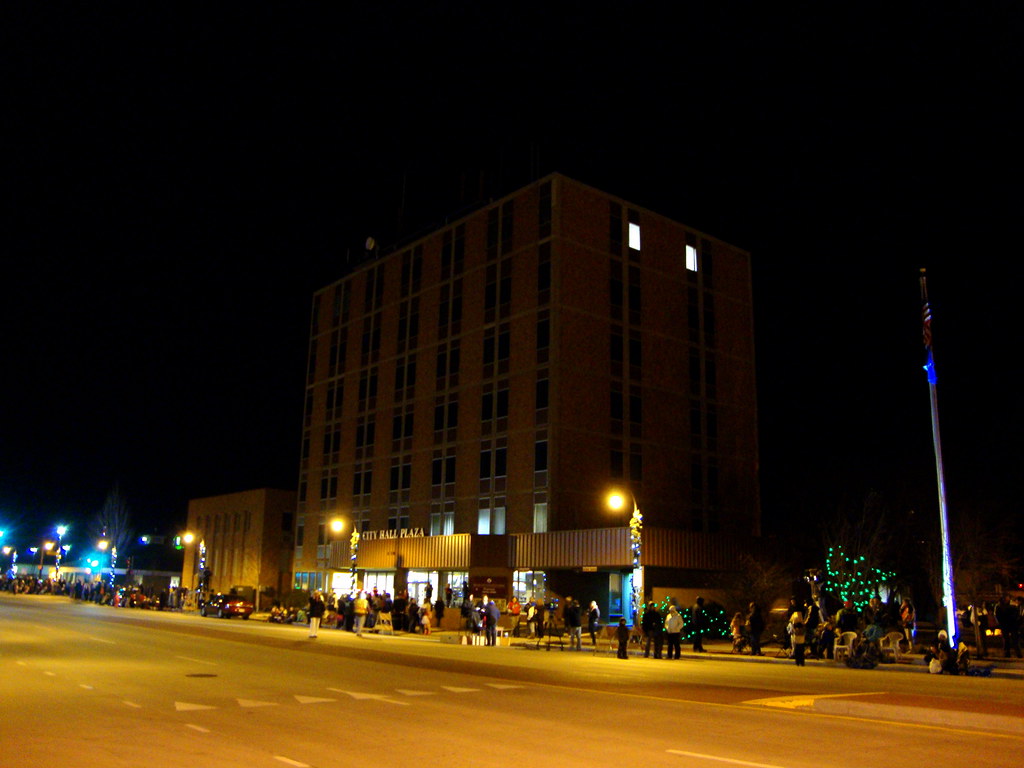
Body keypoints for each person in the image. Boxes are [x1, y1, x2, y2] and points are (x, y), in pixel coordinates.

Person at [995, 594, 1022, 658]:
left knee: (1014, 640)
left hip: (1012, 625)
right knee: (1007, 640)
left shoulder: (1012, 605)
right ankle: (1008, 654)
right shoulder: (999, 606)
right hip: (1006, 625)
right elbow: (998, 616)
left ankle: (1018, 654)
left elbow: (1017, 615)